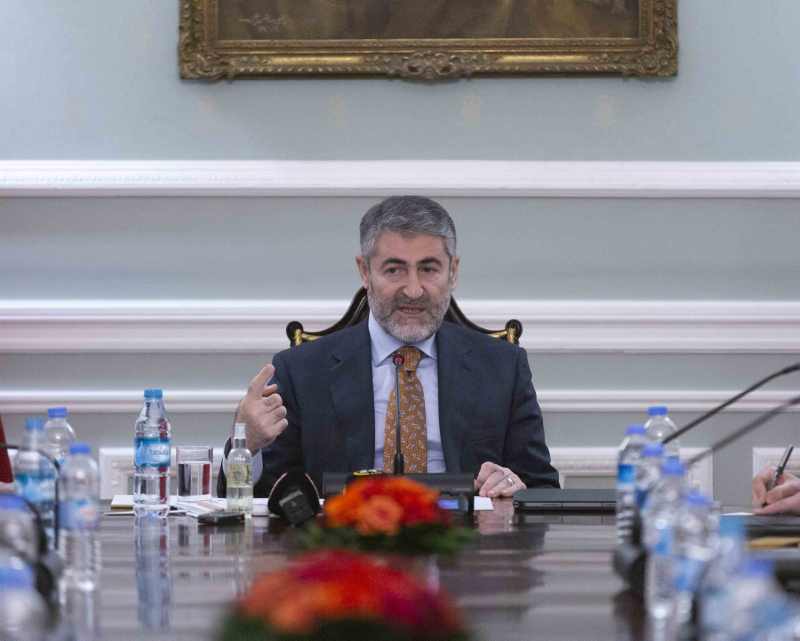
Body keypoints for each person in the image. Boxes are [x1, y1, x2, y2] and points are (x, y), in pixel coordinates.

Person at [218, 196, 559, 498]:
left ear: (453, 273)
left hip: (466, 544)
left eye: (429, 269)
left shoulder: (503, 367)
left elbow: (541, 488)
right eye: (394, 269)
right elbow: (263, 498)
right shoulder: (301, 371)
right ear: (364, 271)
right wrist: (246, 446)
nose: (413, 290)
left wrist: (512, 487)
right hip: (343, 543)